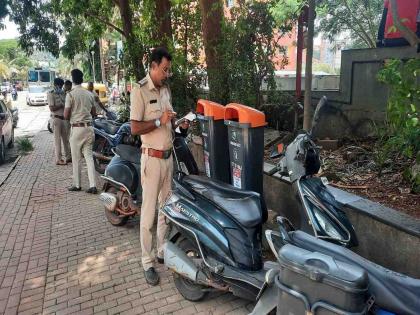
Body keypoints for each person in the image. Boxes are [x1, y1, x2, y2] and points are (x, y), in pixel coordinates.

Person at [130, 47, 189, 285]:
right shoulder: (140, 90)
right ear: (153, 66)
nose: (167, 73)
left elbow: (168, 125)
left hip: (168, 158)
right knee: (149, 213)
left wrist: (179, 126)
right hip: (152, 160)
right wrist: (157, 120)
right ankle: (147, 261)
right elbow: (135, 128)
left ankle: (163, 250)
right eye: (164, 69)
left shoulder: (166, 90)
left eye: (169, 70)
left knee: (166, 209)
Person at [64, 69, 97, 194]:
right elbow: (94, 113)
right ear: (82, 79)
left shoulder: (70, 94)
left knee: (76, 158)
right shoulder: (89, 94)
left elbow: (66, 115)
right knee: (89, 157)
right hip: (89, 128)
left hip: (77, 129)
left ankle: (77, 185)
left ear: (72, 80)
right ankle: (93, 185)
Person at [48, 78, 71, 165]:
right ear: (55, 85)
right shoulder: (51, 94)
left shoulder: (63, 93)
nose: (60, 87)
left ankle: (68, 157)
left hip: (63, 119)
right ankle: (58, 159)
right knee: (57, 140)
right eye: (59, 85)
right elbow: (51, 108)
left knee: (66, 139)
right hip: (56, 118)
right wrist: (61, 106)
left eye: (61, 86)